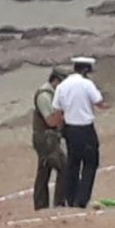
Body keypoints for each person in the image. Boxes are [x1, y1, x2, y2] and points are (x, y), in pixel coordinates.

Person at [51, 56, 108, 208]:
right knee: (90, 163)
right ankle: (82, 198)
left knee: (73, 163)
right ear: (85, 70)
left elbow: (57, 109)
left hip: (70, 129)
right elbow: (99, 102)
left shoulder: (63, 86)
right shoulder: (86, 84)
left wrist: (58, 128)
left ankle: (71, 197)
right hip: (85, 128)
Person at [31, 67, 69, 210]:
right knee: (63, 166)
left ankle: (41, 204)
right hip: (45, 138)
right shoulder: (44, 96)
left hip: (49, 138)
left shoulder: (52, 95)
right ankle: (58, 202)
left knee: (44, 170)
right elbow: (51, 121)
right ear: (55, 81)